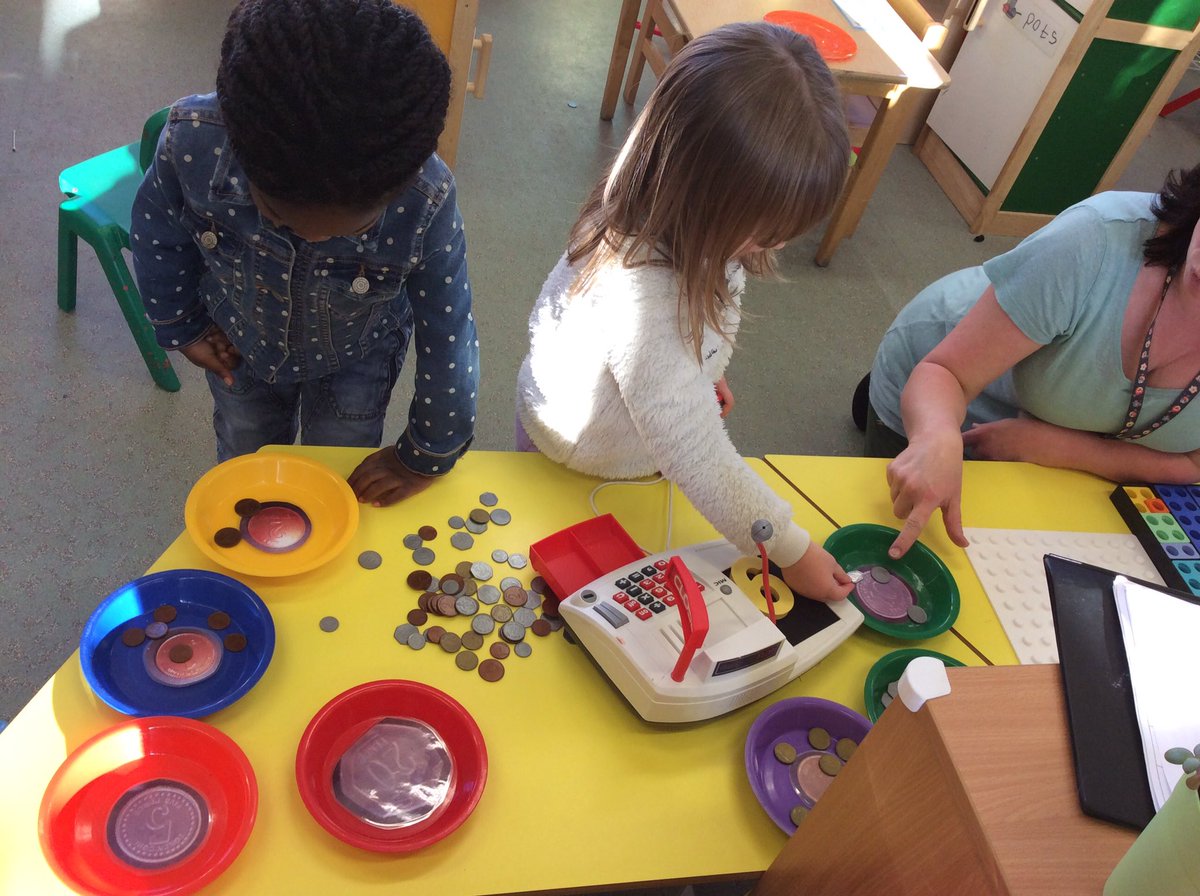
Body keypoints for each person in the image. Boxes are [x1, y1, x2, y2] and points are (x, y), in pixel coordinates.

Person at [515, 22, 854, 602]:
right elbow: (693, 448)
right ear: (700, 193)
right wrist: (790, 550)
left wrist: (702, 374)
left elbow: (682, 346)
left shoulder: (676, 216)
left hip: (625, 440)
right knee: (578, 595)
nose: (774, 246)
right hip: (577, 459)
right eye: (764, 231)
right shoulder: (641, 294)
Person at [131, 0, 478, 507]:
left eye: (354, 227)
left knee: (336, 472)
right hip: (241, 342)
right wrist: (182, 325)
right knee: (245, 459)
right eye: (276, 215)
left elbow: (449, 333)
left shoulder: (427, 198)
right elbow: (157, 233)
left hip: (357, 357)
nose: (312, 239)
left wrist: (423, 455)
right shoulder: (192, 140)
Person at [867, 162, 1200, 558]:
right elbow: (946, 373)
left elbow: (1193, 463)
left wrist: (1060, 447)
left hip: (1055, 443)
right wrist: (936, 436)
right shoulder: (1095, 237)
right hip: (952, 387)